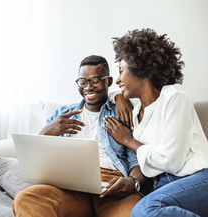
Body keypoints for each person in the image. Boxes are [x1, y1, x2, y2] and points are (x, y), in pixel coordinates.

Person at [13, 55, 148, 217]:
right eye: (82, 81)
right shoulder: (62, 115)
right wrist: (47, 130)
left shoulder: (122, 112)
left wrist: (132, 183)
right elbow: (33, 159)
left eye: (95, 80)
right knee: (25, 199)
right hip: (68, 187)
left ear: (109, 81)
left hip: (111, 185)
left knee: (133, 212)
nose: (88, 87)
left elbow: (137, 159)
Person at [103, 28, 208, 217]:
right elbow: (107, 95)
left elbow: (171, 161)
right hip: (164, 186)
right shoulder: (136, 112)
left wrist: (128, 141)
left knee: (144, 210)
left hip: (197, 178)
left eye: (121, 70)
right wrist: (118, 96)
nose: (117, 79)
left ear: (140, 68)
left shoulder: (174, 96)